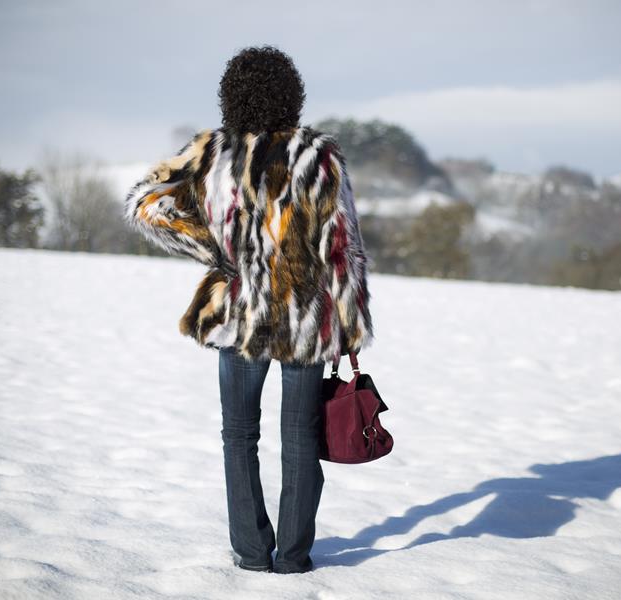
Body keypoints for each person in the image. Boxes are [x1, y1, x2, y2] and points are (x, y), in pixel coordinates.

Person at [123, 44, 375, 574]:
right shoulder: (317, 156)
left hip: (236, 315)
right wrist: (349, 323)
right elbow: (343, 245)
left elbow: (146, 202)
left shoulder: (211, 152)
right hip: (304, 318)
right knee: (300, 437)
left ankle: (251, 552)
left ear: (229, 94)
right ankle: (294, 556)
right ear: (293, 94)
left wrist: (212, 248)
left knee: (238, 436)